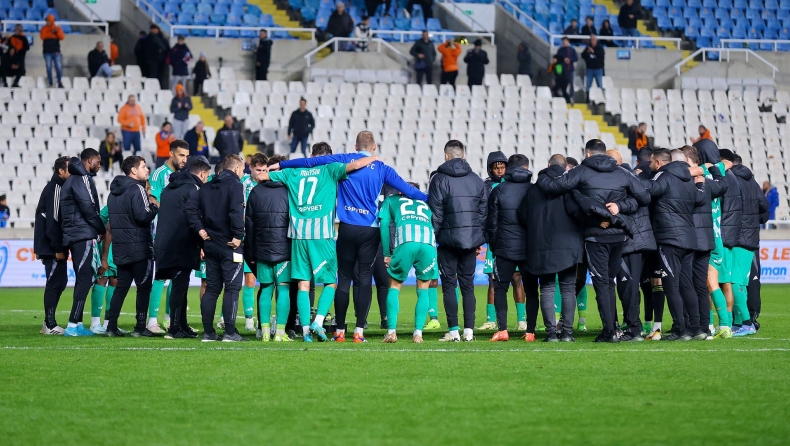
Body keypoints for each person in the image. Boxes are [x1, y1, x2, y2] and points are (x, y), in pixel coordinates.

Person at [273, 131, 426, 342]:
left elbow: (311, 162)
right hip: (369, 230)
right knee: (364, 279)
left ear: (356, 147)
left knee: (343, 278)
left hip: (346, 227)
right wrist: (430, 199)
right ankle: (359, 331)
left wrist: (281, 165)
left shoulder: (344, 160)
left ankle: (339, 331)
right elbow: (409, 190)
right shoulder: (382, 168)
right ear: (374, 148)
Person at [256, 143, 378, 342]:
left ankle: (305, 332)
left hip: (298, 236)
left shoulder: (292, 173)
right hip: (322, 235)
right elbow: (356, 165)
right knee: (330, 283)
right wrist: (373, 158)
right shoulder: (331, 169)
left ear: (311, 156)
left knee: (303, 285)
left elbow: (262, 177)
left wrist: (273, 167)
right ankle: (318, 321)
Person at [537, 139, 650, 342]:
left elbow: (555, 187)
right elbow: (644, 198)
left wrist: (543, 175)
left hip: (595, 235)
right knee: (609, 282)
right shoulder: (622, 173)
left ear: (588, 154)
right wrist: (620, 207)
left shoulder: (581, 171)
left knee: (602, 283)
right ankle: (614, 328)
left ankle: (609, 332)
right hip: (619, 235)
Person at [638, 149, 707, 341]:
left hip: (670, 239)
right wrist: (701, 186)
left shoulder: (664, 177)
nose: (650, 165)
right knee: (687, 284)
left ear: (659, 163)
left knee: (671, 285)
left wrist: (635, 178)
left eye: (652, 162)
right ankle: (696, 328)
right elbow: (700, 199)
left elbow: (651, 189)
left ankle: (680, 330)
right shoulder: (687, 180)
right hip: (690, 239)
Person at [517, 154, 586, 342]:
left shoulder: (533, 190)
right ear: (566, 168)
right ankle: (567, 333)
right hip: (568, 246)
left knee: (547, 289)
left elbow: (522, 216)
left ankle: (551, 334)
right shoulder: (569, 188)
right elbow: (578, 213)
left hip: (541, 246)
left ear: (548, 165)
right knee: (568, 289)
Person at [429, 140, 487, 342]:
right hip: (470, 241)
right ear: (463, 156)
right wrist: (478, 238)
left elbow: (436, 214)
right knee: (468, 286)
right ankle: (469, 331)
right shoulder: (476, 180)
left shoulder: (438, 179)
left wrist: (434, 238)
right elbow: (483, 213)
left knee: (448, 285)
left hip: (447, 241)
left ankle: (454, 331)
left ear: (446, 156)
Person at [155, 156, 211, 339]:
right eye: (206, 176)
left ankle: (182, 325)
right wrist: (202, 242)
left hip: (165, 241)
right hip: (182, 242)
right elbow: (193, 218)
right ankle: (174, 328)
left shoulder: (169, 188)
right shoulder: (193, 189)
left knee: (181, 284)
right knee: (179, 285)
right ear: (202, 174)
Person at [104, 156, 159, 337]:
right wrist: (154, 207)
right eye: (143, 166)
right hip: (139, 248)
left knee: (121, 287)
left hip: (121, 247)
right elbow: (143, 216)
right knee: (143, 288)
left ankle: (111, 326)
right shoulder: (137, 188)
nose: (147, 169)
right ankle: (140, 327)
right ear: (134, 170)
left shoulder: (113, 193)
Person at [485, 155, 536, 341]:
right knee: (531, 289)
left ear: (508, 168)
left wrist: (494, 245)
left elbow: (491, 223)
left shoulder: (498, 190)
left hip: (504, 248)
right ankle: (530, 331)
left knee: (500, 288)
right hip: (529, 249)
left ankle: (503, 330)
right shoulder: (534, 189)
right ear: (526, 167)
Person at [196, 155, 247, 342]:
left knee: (212, 289)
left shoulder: (206, 187)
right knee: (232, 288)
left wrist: (201, 235)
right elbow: (236, 211)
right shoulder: (236, 185)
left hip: (210, 244)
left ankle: (208, 333)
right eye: (242, 170)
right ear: (236, 169)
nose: (243, 173)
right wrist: (238, 236)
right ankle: (230, 332)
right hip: (229, 245)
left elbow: (195, 212)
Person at [379, 185, 437, 344]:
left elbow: (384, 225)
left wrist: (387, 253)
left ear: (400, 191)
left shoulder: (391, 200)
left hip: (405, 241)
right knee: (423, 290)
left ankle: (391, 332)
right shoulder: (427, 202)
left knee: (394, 286)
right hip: (428, 243)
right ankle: (418, 334)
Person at [608, 150, 655, 341]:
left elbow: (637, 202)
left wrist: (617, 208)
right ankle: (632, 324)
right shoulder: (630, 178)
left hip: (632, 240)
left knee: (628, 285)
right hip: (636, 239)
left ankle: (634, 328)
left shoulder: (625, 180)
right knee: (628, 285)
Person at [244, 155, 292, 342]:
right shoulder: (289, 191)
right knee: (283, 289)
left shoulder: (256, 192)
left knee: (265, 288)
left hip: (261, 250)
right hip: (284, 250)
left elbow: (249, 225)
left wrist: (251, 251)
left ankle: (264, 331)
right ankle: (280, 332)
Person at [681, 146, 727, 340]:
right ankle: (708, 326)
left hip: (698, 239)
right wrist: (714, 167)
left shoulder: (690, 181)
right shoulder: (710, 180)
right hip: (711, 237)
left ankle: (717, 325)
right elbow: (722, 184)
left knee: (702, 284)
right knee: (703, 285)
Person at [59, 149, 106, 336]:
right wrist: (101, 228)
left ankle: (77, 323)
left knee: (83, 278)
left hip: (75, 233)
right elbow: (88, 208)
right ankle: (72, 325)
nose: (99, 165)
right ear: (89, 160)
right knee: (85, 278)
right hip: (82, 235)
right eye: (98, 161)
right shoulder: (82, 178)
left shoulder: (73, 179)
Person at [480, 151, 526, 332]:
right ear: (490, 169)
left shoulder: (513, 185)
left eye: (502, 167)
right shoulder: (486, 187)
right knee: (493, 280)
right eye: (496, 167)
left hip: (512, 237)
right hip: (495, 238)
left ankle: (522, 320)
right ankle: (491, 320)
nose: (499, 170)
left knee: (517, 278)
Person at [147, 140, 190, 333]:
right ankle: (151, 321)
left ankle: (170, 319)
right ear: (171, 154)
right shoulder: (159, 174)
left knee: (177, 277)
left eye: (186, 156)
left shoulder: (183, 175)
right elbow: (153, 200)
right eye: (181, 155)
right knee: (160, 277)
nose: (184, 159)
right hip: (162, 232)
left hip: (179, 233)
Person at [730, 155, 769, 337]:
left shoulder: (732, 181)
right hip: (750, 238)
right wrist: (752, 220)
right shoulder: (752, 182)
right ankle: (740, 322)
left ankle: (746, 322)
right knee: (745, 282)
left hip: (738, 238)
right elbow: (765, 209)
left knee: (736, 282)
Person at [34, 156, 71, 335]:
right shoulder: (55, 188)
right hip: (52, 247)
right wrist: (58, 248)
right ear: (61, 171)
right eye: (69, 169)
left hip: (52, 245)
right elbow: (53, 222)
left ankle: (48, 322)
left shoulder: (58, 187)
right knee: (55, 282)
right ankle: (49, 324)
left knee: (60, 281)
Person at [40, 14, 65, 88]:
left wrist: (56, 32)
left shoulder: (57, 28)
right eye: (47, 20)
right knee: (49, 67)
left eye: (49, 20)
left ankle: (59, 82)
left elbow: (62, 37)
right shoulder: (44, 28)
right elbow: (43, 36)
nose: (47, 22)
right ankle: (50, 82)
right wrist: (51, 32)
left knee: (58, 67)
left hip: (56, 51)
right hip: (47, 51)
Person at [144, 24, 170, 89]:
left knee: (159, 76)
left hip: (160, 61)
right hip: (153, 60)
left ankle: (158, 88)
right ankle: (153, 88)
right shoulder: (151, 38)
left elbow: (165, 48)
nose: (155, 31)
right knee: (153, 76)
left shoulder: (161, 38)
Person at [555, 37, 577, 103]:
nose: (564, 42)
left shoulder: (572, 50)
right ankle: (563, 97)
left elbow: (576, 58)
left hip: (570, 69)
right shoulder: (560, 50)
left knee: (570, 83)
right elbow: (557, 59)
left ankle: (571, 97)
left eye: (565, 41)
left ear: (568, 41)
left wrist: (570, 60)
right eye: (563, 41)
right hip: (562, 70)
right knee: (562, 84)